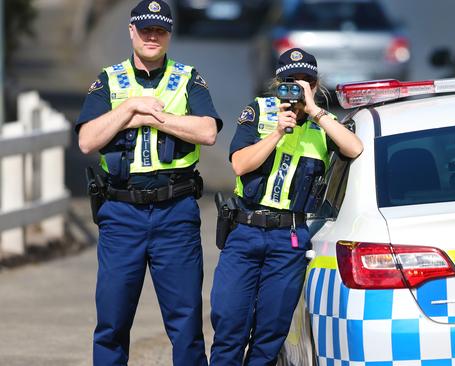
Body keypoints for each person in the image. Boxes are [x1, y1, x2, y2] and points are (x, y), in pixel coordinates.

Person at [76, 1, 222, 365]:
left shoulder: (189, 78)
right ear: (131, 31)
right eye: (145, 29)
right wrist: (130, 108)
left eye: (159, 30)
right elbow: (86, 140)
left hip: (176, 213)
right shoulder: (109, 80)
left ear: (169, 34)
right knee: (111, 322)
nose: (152, 36)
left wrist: (155, 118)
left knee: (187, 325)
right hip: (121, 214)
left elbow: (207, 131)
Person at [209, 47, 363, 365]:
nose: (296, 88)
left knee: (271, 332)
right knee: (230, 325)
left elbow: (354, 147)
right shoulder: (260, 111)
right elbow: (240, 164)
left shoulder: (324, 125)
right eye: (289, 82)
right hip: (245, 230)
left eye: (304, 81)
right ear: (277, 85)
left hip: (288, 238)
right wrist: (278, 131)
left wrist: (315, 110)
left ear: (315, 86)